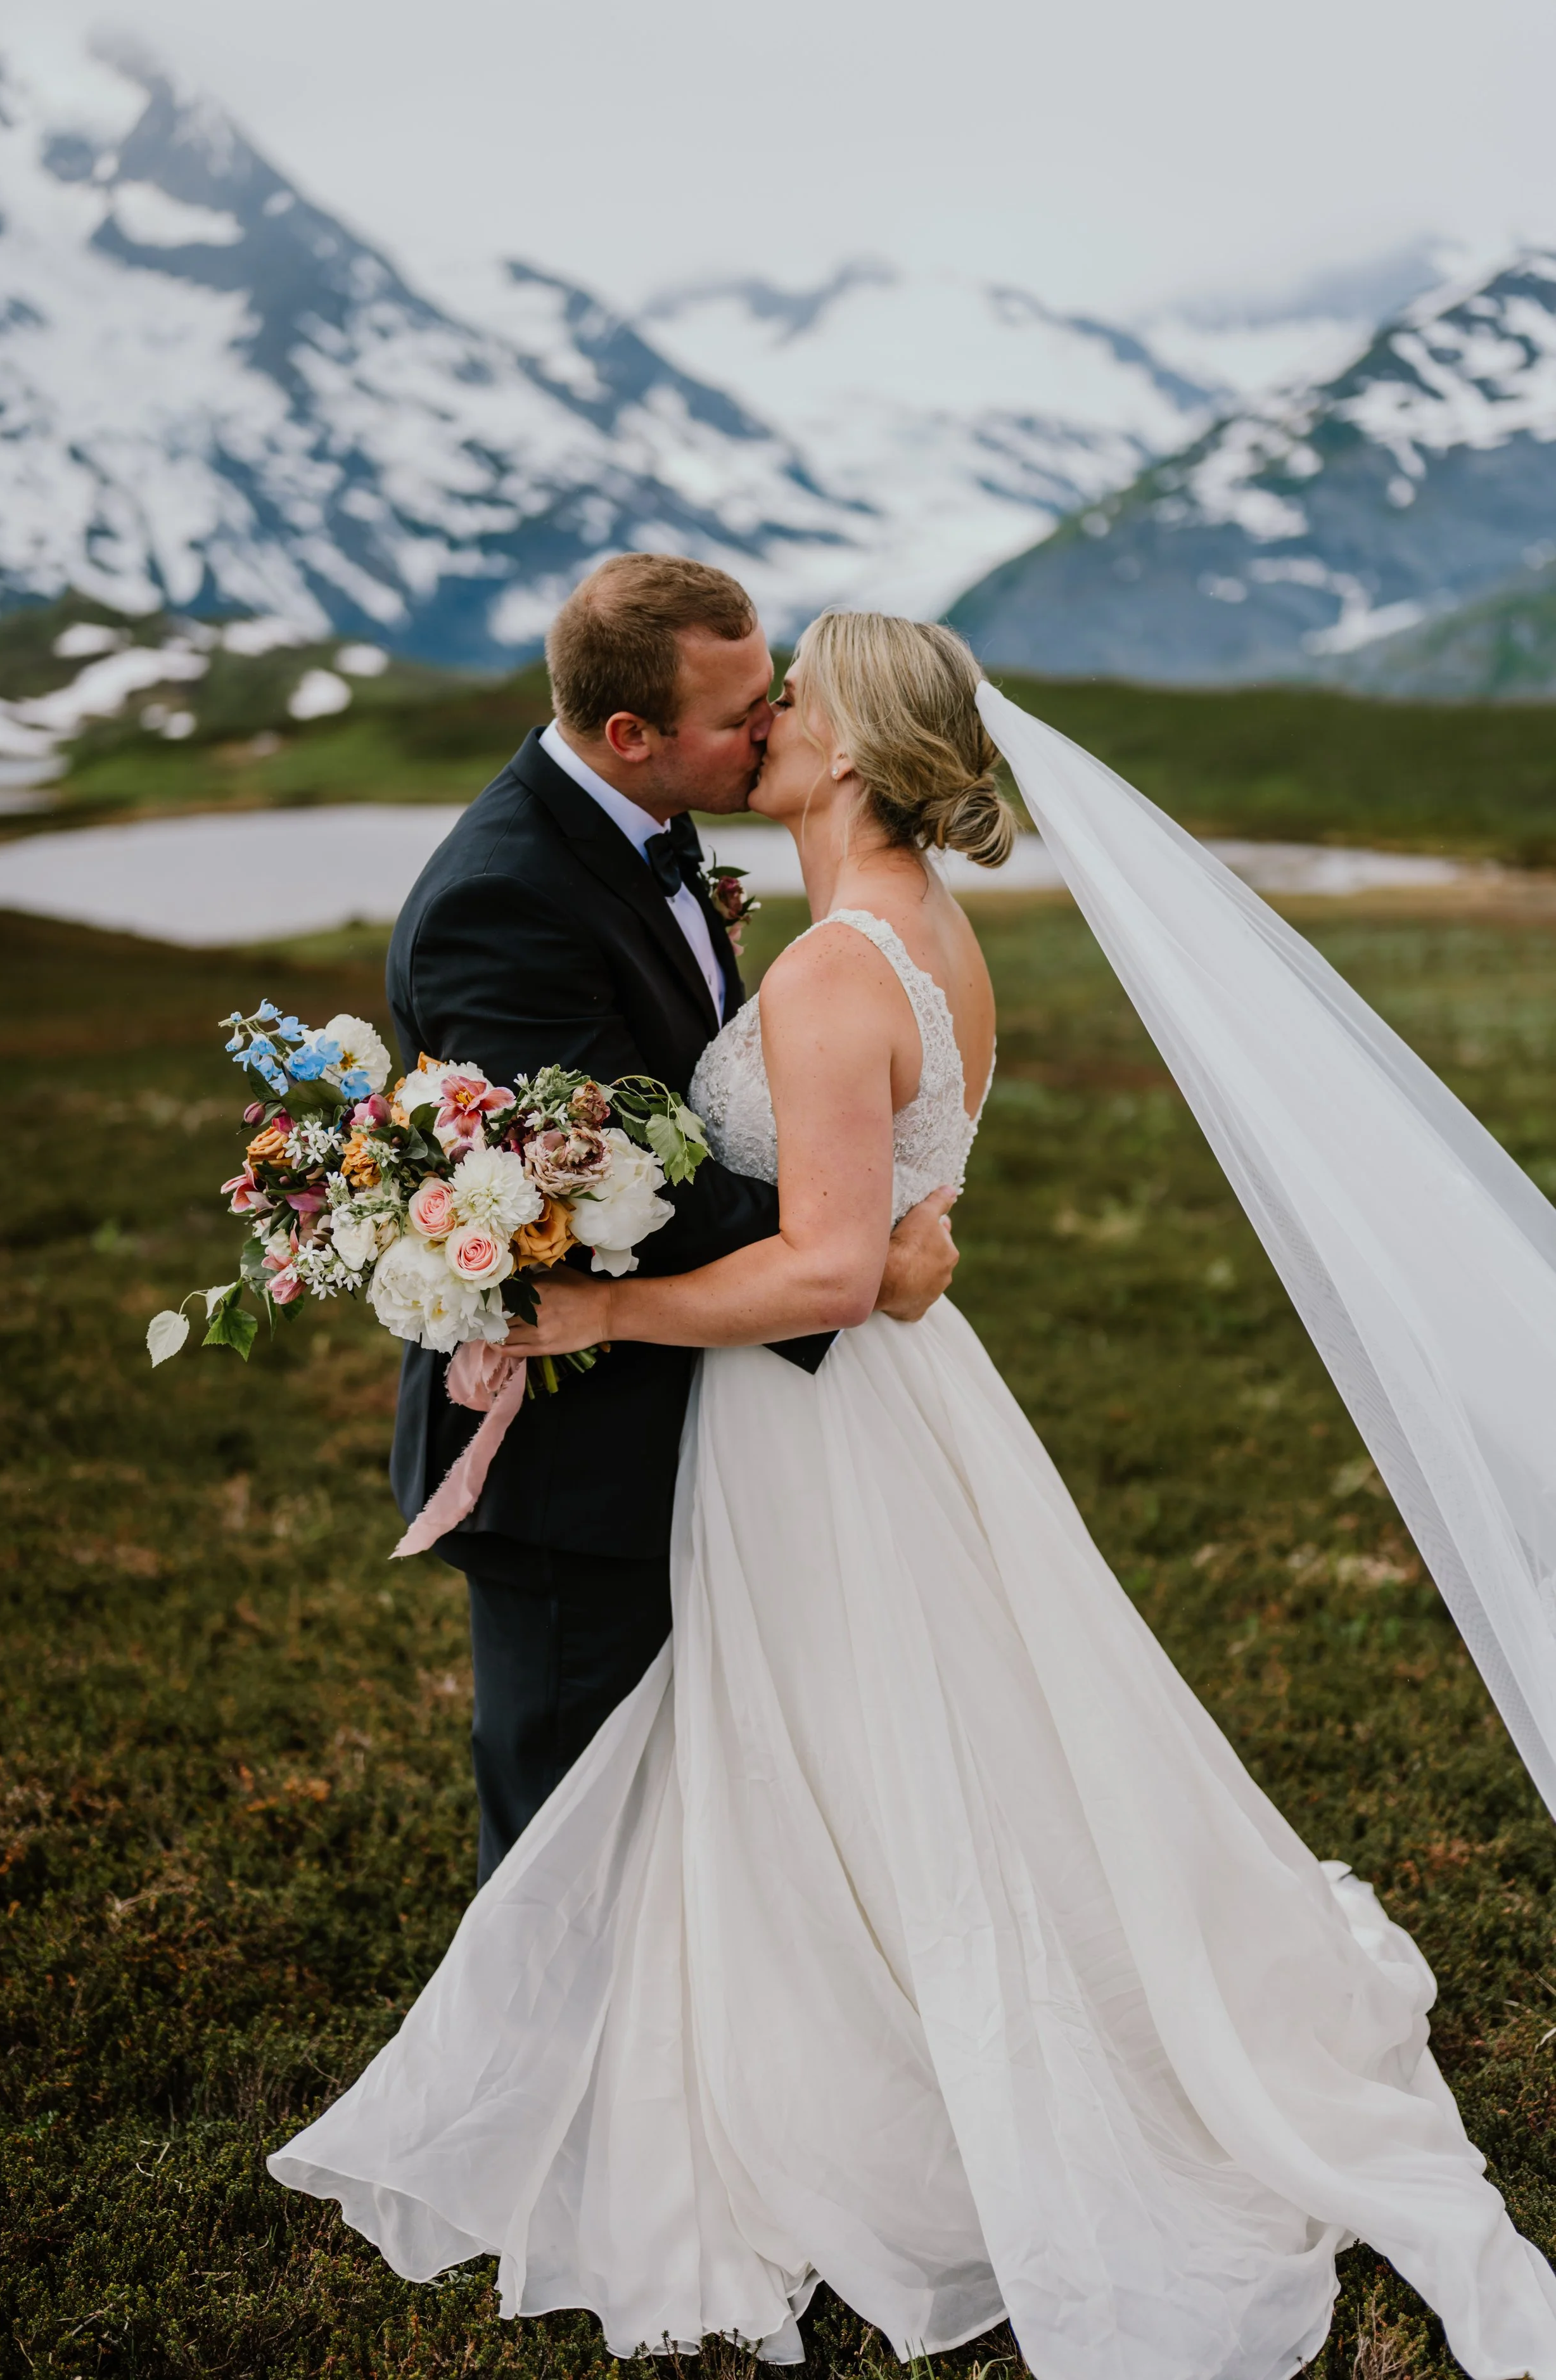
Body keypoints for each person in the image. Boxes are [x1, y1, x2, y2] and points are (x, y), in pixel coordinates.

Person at [274, 613, 1556, 2380]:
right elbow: (883, 1201)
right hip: (903, 1401)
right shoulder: (929, 939)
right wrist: (897, 1237)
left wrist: (602, 1303)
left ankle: (842, 2071)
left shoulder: (820, 971)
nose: (764, 723)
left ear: (853, 749)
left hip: (802, 1416)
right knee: (929, 1733)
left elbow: (814, 1269)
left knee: (851, 1743)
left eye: (787, 698)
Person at [381, 556, 959, 1885]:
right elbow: (606, 1178)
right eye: (739, 715)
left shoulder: (659, 823)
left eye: (773, 697)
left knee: (696, 1821)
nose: (771, 729)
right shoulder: (499, 900)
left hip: (701, 1413)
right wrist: (860, 1242)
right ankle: (542, 2094)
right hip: (572, 1445)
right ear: (631, 735)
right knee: (567, 1834)